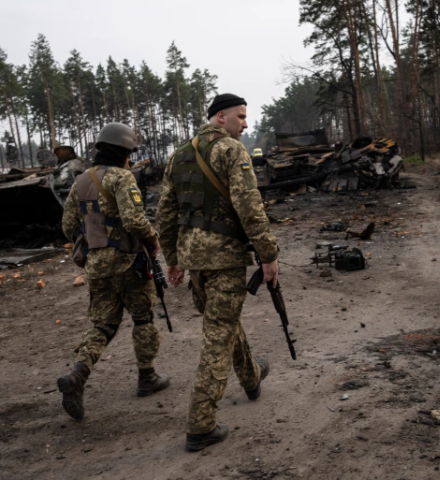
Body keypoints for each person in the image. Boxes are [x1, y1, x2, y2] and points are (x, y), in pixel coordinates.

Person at [156, 93, 279, 451]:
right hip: (224, 260)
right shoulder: (231, 151)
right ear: (221, 118)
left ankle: (251, 376)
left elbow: (165, 212)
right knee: (217, 338)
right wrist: (268, 253)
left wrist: (174, 258)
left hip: (195, 261)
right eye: (241, 117)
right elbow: (249, 206)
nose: (246, 123)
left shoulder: (179, 154)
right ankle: (200, 424)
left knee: (221, 324)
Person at [57, 122, 170, 421]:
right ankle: (147, 378)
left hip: (96, 266)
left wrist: (96, 239)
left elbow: (68, 227)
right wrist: (153, 239)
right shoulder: (123, 178)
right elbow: (134, 220)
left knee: (103, 326)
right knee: (143, 318)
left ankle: (77, 376)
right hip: (129, 262)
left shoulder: (80, 181)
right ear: (124, 152)